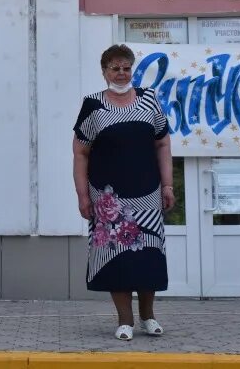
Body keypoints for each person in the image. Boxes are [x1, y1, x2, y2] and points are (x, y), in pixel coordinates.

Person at [72, 44, 175, 341]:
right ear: (104, 71)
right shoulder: (92, 105)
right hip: (109, 200)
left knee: (148, 256)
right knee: (117, 258)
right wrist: (82, 195)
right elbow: (80, 153)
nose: (121, 73)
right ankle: (125, 320)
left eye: (126, 67)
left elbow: (162, 143)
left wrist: (167, 185)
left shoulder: (149, 99)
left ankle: (148, 317)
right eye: (115, 68)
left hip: (148, 194)